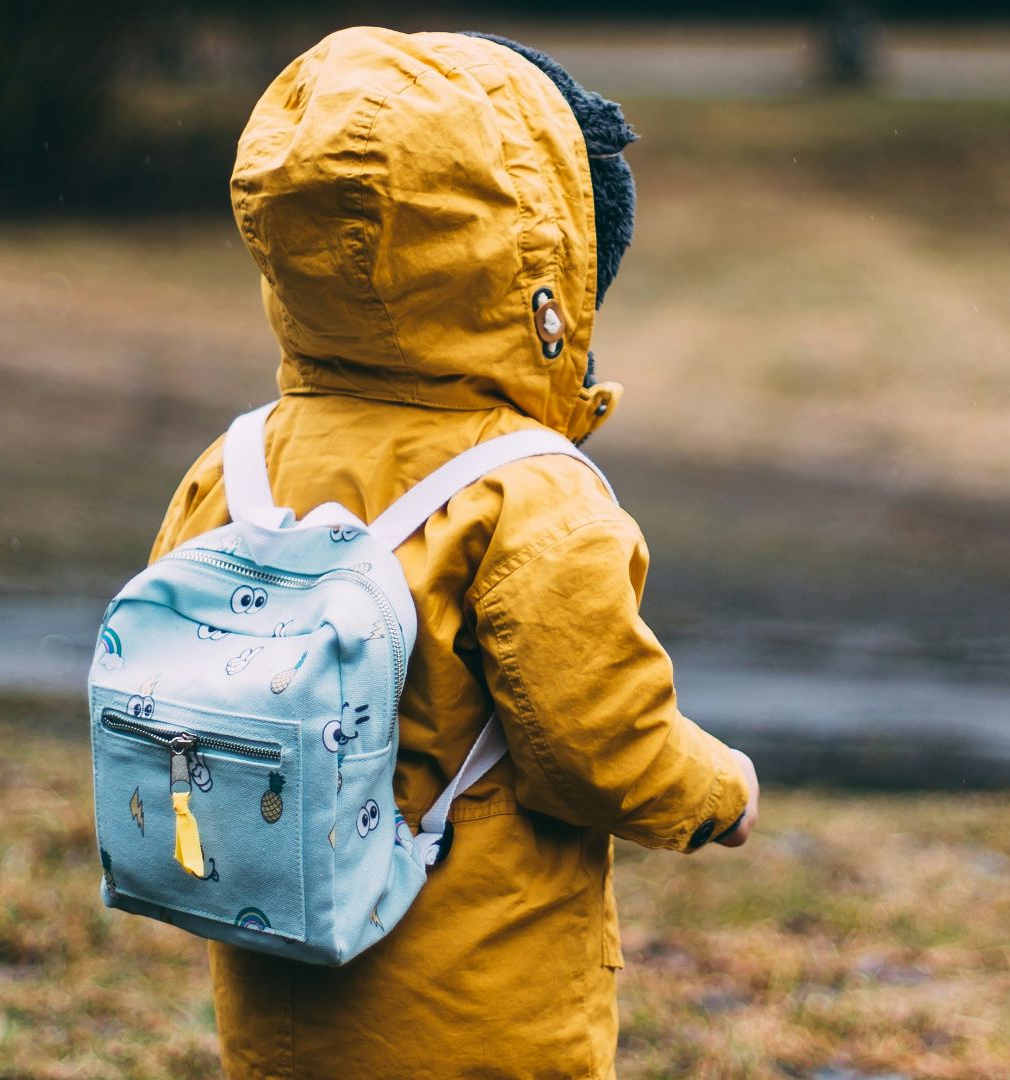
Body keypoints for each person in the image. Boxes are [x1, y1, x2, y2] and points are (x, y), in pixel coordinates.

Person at [146, 26, 761, 1079]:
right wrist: (720, 790)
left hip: (279, 984)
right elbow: (596, 743)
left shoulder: (238, 461)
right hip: (479, 1008)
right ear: (543, 261)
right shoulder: (528, 492)